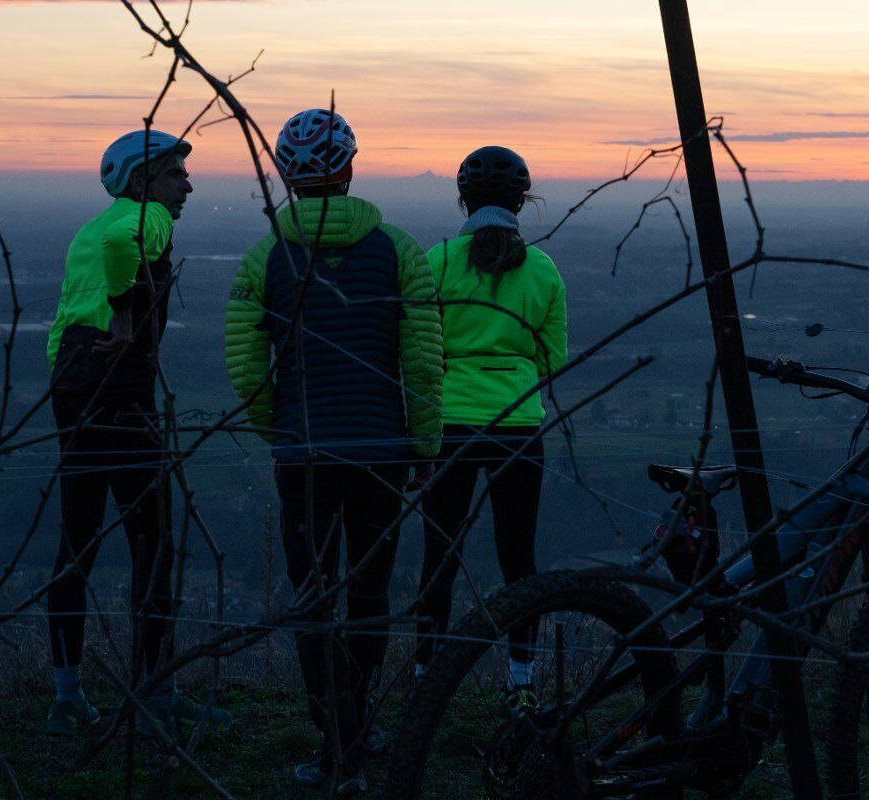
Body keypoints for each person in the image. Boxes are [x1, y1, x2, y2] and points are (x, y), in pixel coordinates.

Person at [225, 108, 443, 793]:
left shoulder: (266, 255)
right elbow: (423, 360)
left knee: (312, 595)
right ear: (350, 166)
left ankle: (333, 731)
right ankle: (360, 724)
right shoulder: (400, 249)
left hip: (306, 454)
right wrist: (425, 443)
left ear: (286, 176)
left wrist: (279, 430)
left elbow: (245, 364)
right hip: (382, 450)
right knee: (370, 592)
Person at [43, 130, 230, 739]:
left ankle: (67, 696)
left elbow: (66, 316)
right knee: (152, 539)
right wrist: (126, 316)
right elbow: (129, 247)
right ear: (141, 179)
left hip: (73, 383)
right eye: (176, 173)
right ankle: (158, 695)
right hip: (120, 389)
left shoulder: (86, 229)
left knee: (77, 542)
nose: (188, 184)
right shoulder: (143, 218)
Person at [413, 145, 567, 710]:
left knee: (440, 551)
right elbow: (553, 357)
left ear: (463, 199)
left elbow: (419, 351)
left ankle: (426, 672)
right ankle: (521, 680)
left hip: (449, 425)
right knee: (517, 555)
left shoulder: (437, 261)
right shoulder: (545, 269)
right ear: (523, 201)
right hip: (518, 425)